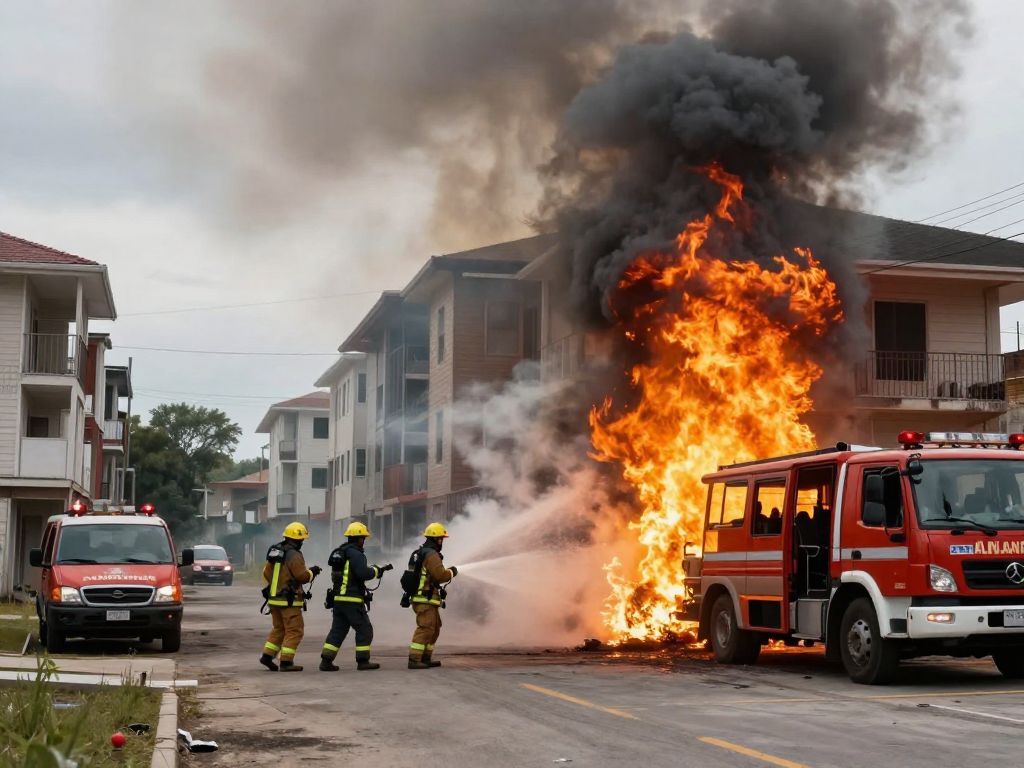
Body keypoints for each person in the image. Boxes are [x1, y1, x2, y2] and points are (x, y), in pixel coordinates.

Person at [320, 522, 392, 671]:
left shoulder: (340, 552)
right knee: (365, 629)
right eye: (363, 538)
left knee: (338, 630)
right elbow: (363, 573)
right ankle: (363, 661)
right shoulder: (356, 554)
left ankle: (326, 661)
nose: (364, 541)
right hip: (352, 600)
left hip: (338, 599)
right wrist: (377, 570)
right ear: (359, 538)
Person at [259, 522, 321, 672]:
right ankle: (286, 662)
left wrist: (279, 586)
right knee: (295, 630)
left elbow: (266, 573)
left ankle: (267, 656)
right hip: (289, 601)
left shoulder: (276, 551)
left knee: (279, 629)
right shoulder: (294, 554)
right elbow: (302, 576)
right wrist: (312, 572)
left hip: (274, 599)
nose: (302, 543)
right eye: (302, 540)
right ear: (297, 539)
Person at [407, 522, 459, 670]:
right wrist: (452, 572)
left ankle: (426, 657)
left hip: (425, 598)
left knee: (434, 628)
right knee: (426, 627)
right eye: (441, 539)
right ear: (437, 539)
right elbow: (440, 575)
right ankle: (414, 659)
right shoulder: (431, 554)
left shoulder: (420, 553)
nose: (442, 541)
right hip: (425, 598)